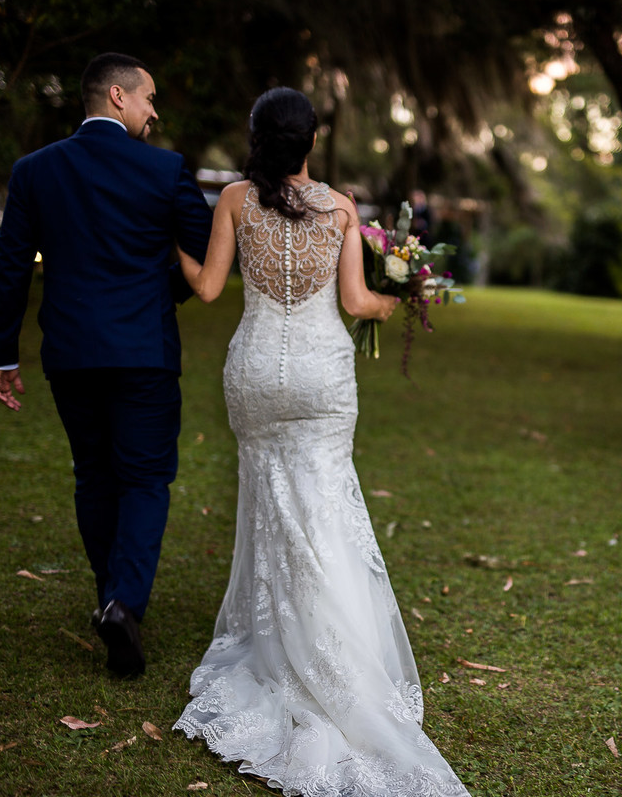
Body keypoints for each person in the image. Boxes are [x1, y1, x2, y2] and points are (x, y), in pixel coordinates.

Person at [171, 87, 471, 797]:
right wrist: (407, 290)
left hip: (253, 372)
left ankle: (278, 650)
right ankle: (336, 656)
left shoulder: (236, 201)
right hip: (320, 376)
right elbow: (358, 304)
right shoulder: (340, 209)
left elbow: (209, 290)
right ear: (312, 140)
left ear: (256, 138)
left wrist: (169, 247)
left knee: (272, 506)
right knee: (325, 507)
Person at [0, 53, 213, 678]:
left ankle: (111, 598)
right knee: (143, 478)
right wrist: (161, 291)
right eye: (149, 99)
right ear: (117, 96)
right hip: (143, 352)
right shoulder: (165, 170)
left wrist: (0, 352)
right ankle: (123, 603)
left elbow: (10, 267)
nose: (155, 112)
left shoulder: (35, 171)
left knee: (93, 474)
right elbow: (204, 252)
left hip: (72, 351)